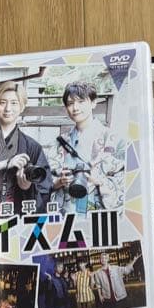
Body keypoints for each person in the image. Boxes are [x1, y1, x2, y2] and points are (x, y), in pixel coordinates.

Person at [49, 81, 128, 214]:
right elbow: (46, 181)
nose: (75, 108)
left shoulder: (114, 140)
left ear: (93, 103)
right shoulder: (61, 142)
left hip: (98, 212)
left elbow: (126, 182)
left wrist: (100, 181)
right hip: (68, 211)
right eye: (70, 103)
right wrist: (59, 181)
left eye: (81, 102)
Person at [0, 81, 51, 213]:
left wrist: (28, 187)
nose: (8, 109)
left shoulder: (32, 147)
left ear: (22, 107)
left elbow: (45, 189)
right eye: (2, 102)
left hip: (15, 214)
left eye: (14, 103)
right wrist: (4, 164)